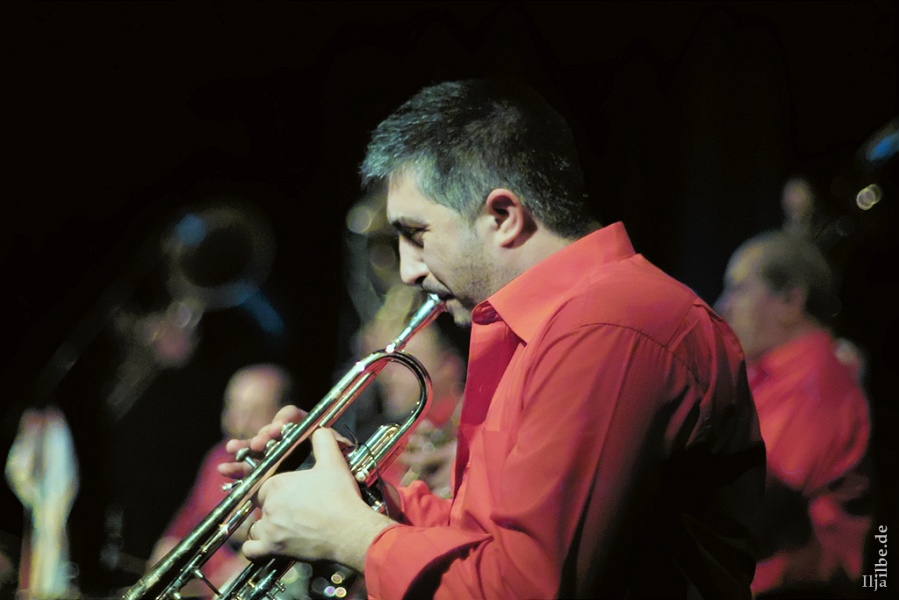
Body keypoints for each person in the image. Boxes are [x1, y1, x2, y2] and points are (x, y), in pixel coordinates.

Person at [220, 79, 766, 598]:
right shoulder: (556, 325)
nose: (408, 271)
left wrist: (353, 536)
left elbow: (525, 588)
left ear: (502, 216)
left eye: (415, 234)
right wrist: (351, 493)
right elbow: (479, 540)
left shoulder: (608, 325)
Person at [716, 230, 873, 598]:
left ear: (790, 301)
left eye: (738, 289)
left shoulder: (814, 387)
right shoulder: (768, 372)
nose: (722, 306)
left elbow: (747, 512)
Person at [147, 363, 295, 594]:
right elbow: (189, 518)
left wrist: (245, 570)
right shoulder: (217, 458)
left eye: (255, 412)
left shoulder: (294, 472)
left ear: (282, 415)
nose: (239, 424)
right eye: (234, 408)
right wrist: (169, 546)